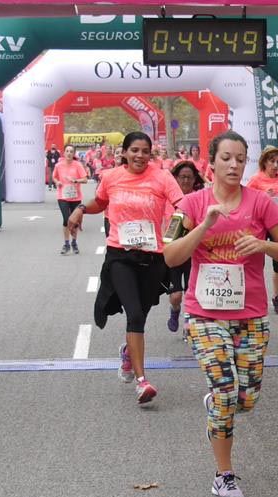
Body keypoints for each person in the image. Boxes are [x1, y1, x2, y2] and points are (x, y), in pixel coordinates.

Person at [163, 130, 278, 497]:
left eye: (240, 158)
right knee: (226, 392)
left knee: (246, 400)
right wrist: (205, 225)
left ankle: (220, 403)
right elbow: (171, 256)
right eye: (226, 158)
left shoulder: (261, 203)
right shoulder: (191, 204)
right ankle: (224, 475)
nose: (234, 165)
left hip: (250, 315)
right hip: (204, 314)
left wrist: (263, 244)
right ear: (212, 163)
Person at [69, 132, 185, 406]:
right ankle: (142, 382)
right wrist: (81, 209)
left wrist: (172, 235)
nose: (140, 156)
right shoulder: (111, 177)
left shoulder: (162, 177)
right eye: (134, 150)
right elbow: (101, 202)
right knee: (133, 314)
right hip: (120, 255)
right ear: (124, 152)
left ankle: (127, 352)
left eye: (145, 151)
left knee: (140, 316)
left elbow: (182, 206)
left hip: (153, 257)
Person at [246, 146, 278, 314]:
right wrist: (263, 196)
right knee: (256, 262)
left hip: (277, 223)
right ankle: (254, 295)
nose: (275, 165)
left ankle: (276, 296)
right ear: (264, 162)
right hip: (259, 224)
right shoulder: (256, 179)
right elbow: (246, 200)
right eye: (272, 161)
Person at [165, 161, 206, 335]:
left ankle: (187, 325)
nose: (186, 181)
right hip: (174, 252)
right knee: (176, 296)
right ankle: (175, 311)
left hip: (193, 252)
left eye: (189, 177)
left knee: (191, 293)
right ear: (176, 178)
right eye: (182, 177)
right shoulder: (167, 199)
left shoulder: (199, 199)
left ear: (195, 179)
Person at [53, 145, 88, 255]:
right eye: (67, 151)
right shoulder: (58, 165)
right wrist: (57, 182)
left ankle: (74, 242)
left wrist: (76, 180)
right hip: (62, 196)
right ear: (64, 153)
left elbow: (85, 179)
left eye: (71, 151)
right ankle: (66, 243)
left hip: (75, 197)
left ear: (74, 154)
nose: (69, 153)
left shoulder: (77, 165)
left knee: (74, 221)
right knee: (66, 219)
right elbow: (54, 177)